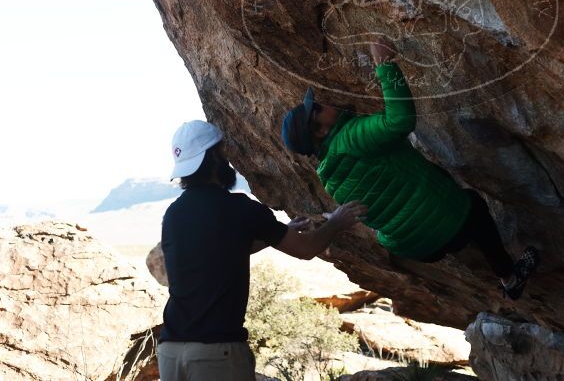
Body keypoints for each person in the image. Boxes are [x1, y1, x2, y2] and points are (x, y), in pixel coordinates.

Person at [281, 39, 539, 300]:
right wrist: (385, 65)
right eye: (316, 109)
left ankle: (465, 243)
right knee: (473, 206)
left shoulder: (329, 177)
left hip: (419, 250)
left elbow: (374, 215)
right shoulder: (349, 139)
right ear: (321, 131)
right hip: (446, 225)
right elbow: (399, 121)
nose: (322, 103)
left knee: (444, 219)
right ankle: (510, 278)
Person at [157, 120, 367, 381]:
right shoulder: (239, 208)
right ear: (213, 158)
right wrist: (337, 222)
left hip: (170, 351)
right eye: (223, 152)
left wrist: (276, 234)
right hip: (215, 353)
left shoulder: (174, 214)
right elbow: (307, 249)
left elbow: (219, 252)